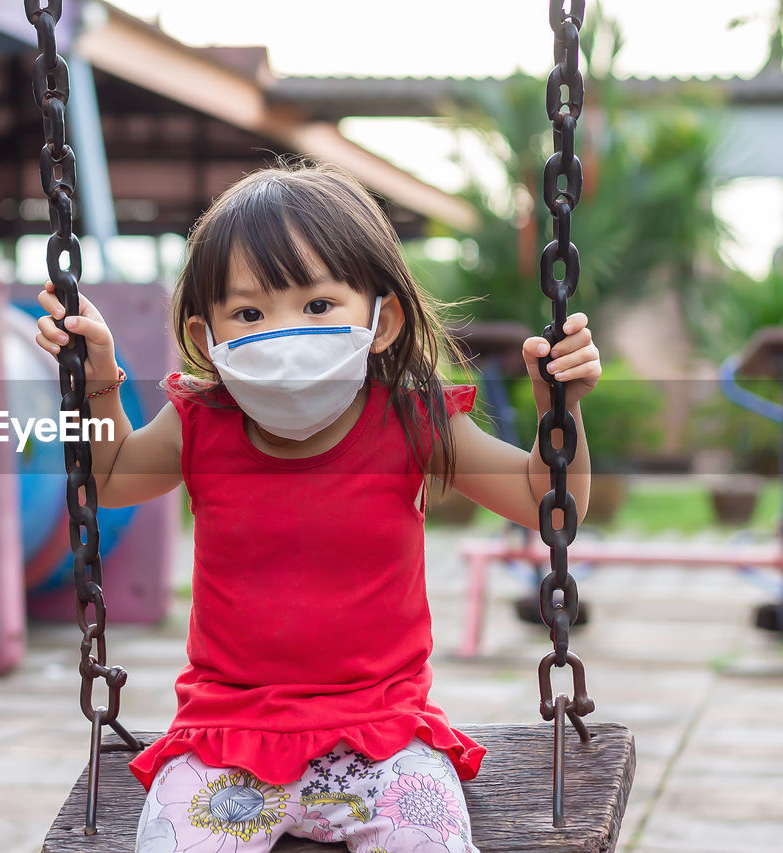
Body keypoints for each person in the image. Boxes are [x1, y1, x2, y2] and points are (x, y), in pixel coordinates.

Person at [33, 160, 601, 853]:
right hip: (226, 741)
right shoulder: (200, 422)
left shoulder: (412, 421)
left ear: (382, 320)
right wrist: (96, 386)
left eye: (318, 306)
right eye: (249, 312)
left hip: (385, 736)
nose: (284, 334)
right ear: (205, 336)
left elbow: (551, 505)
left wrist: (559, 411)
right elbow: (110, 478)